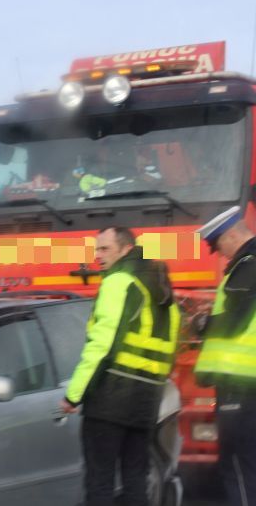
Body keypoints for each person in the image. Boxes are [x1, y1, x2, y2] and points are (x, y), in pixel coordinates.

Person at [60, 227, 180, 506]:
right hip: (147, 402)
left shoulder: (118, 282)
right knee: (136, 479)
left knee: (100, 482)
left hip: (109, 399)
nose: (97, 256)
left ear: (126, 249)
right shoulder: (163, 293)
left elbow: (101, 346)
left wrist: (73, 395)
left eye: (104, 249)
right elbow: (171, 349)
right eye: (96, 249)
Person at [194, 206, 256, 505]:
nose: (220, 254)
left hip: (241, 385)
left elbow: (233, 323)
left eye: (219, 245)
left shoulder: (248, 262)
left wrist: (202, 322)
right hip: (247, 384)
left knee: (238, 466)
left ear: (233, 235)